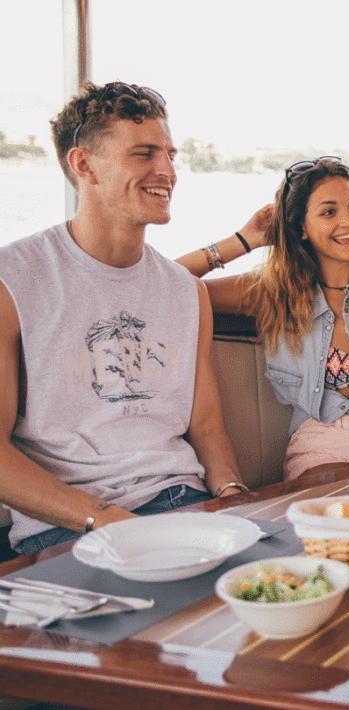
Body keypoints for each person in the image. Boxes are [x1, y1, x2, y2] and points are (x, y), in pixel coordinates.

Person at [0, 81, 247, 556]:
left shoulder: (185, 291)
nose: (167, 170)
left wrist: (235, 502)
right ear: (83, 165)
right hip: (69, 527)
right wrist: (111, 521)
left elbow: (208, 429)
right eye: (144, 154)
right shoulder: (14, 281)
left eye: (171, 154)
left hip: (188, 509)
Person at [178, 157, 349, 480]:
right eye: (328, 212)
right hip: (323, 446)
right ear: (301, 229)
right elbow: (163, 283)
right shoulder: (271, 291)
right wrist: (244, 240)